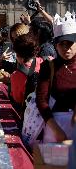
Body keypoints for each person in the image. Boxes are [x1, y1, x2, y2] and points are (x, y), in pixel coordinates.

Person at [36, 12, 76, 143]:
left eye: (69, 43)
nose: (66, 49)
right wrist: (57, 130)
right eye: (61, 44)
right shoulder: (49, 67)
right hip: (56, 129)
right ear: (55, 45)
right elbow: (42, 100)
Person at [10, 33, 45, 117]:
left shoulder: (16, 75)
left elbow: (17, 99)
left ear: (18, 54)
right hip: (51, 114)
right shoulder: (46, 62)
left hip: (31, 116)